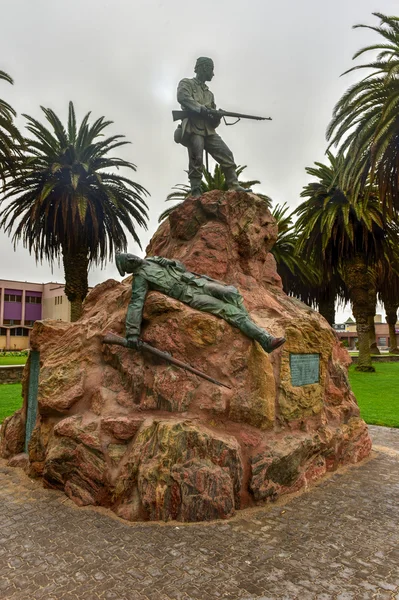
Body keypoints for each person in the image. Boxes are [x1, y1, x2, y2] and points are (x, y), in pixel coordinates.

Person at [116, 253, 286, 353]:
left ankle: (247, 324)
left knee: (232, 292)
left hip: (197, 282)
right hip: (189, 295)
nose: (131, 259)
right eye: (127, 262)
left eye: (129, 256)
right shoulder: (140, 278)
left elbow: (181, 268)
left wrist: (171, 263)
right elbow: (136, 303)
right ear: (129, 268)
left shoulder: (153, 259)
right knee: (228, 309)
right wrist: (132, 333)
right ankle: (264, 339)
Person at [175, 57, 250, 198]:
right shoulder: (187, 83)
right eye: (211, 69)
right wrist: (202, 109)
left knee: (226, 154)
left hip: (208, 131)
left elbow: (213, 122)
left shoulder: (209, 94)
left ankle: (233, 184)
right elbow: (183, 97)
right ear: (203, 68)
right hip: (193, 127)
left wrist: (217, 116)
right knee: (197, 158)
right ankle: (196, 190)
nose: (213, 74)